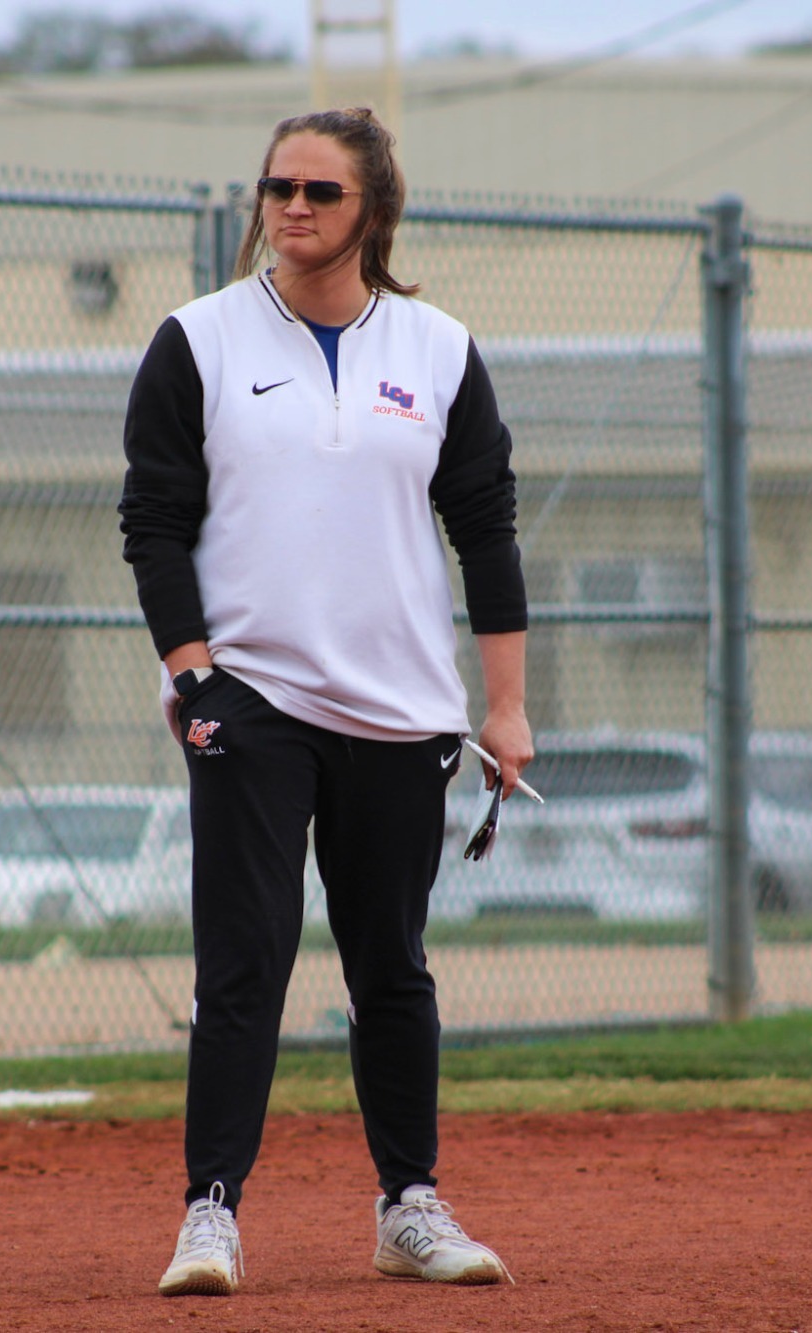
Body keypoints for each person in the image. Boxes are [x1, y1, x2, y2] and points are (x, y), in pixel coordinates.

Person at [119, 106, 534, 1296]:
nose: (292, 208)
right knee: (242, 959)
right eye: (276, 187)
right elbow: (154, 520)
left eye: (321, 192)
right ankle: (210, 1212)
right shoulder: (193, 341)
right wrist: (191, 671)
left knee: (389, 966)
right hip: (250, 697)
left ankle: (408, 1204)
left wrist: (502, 708)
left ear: (374, 210)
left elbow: (485, 531)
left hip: (404, 710)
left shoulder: (438, 349)